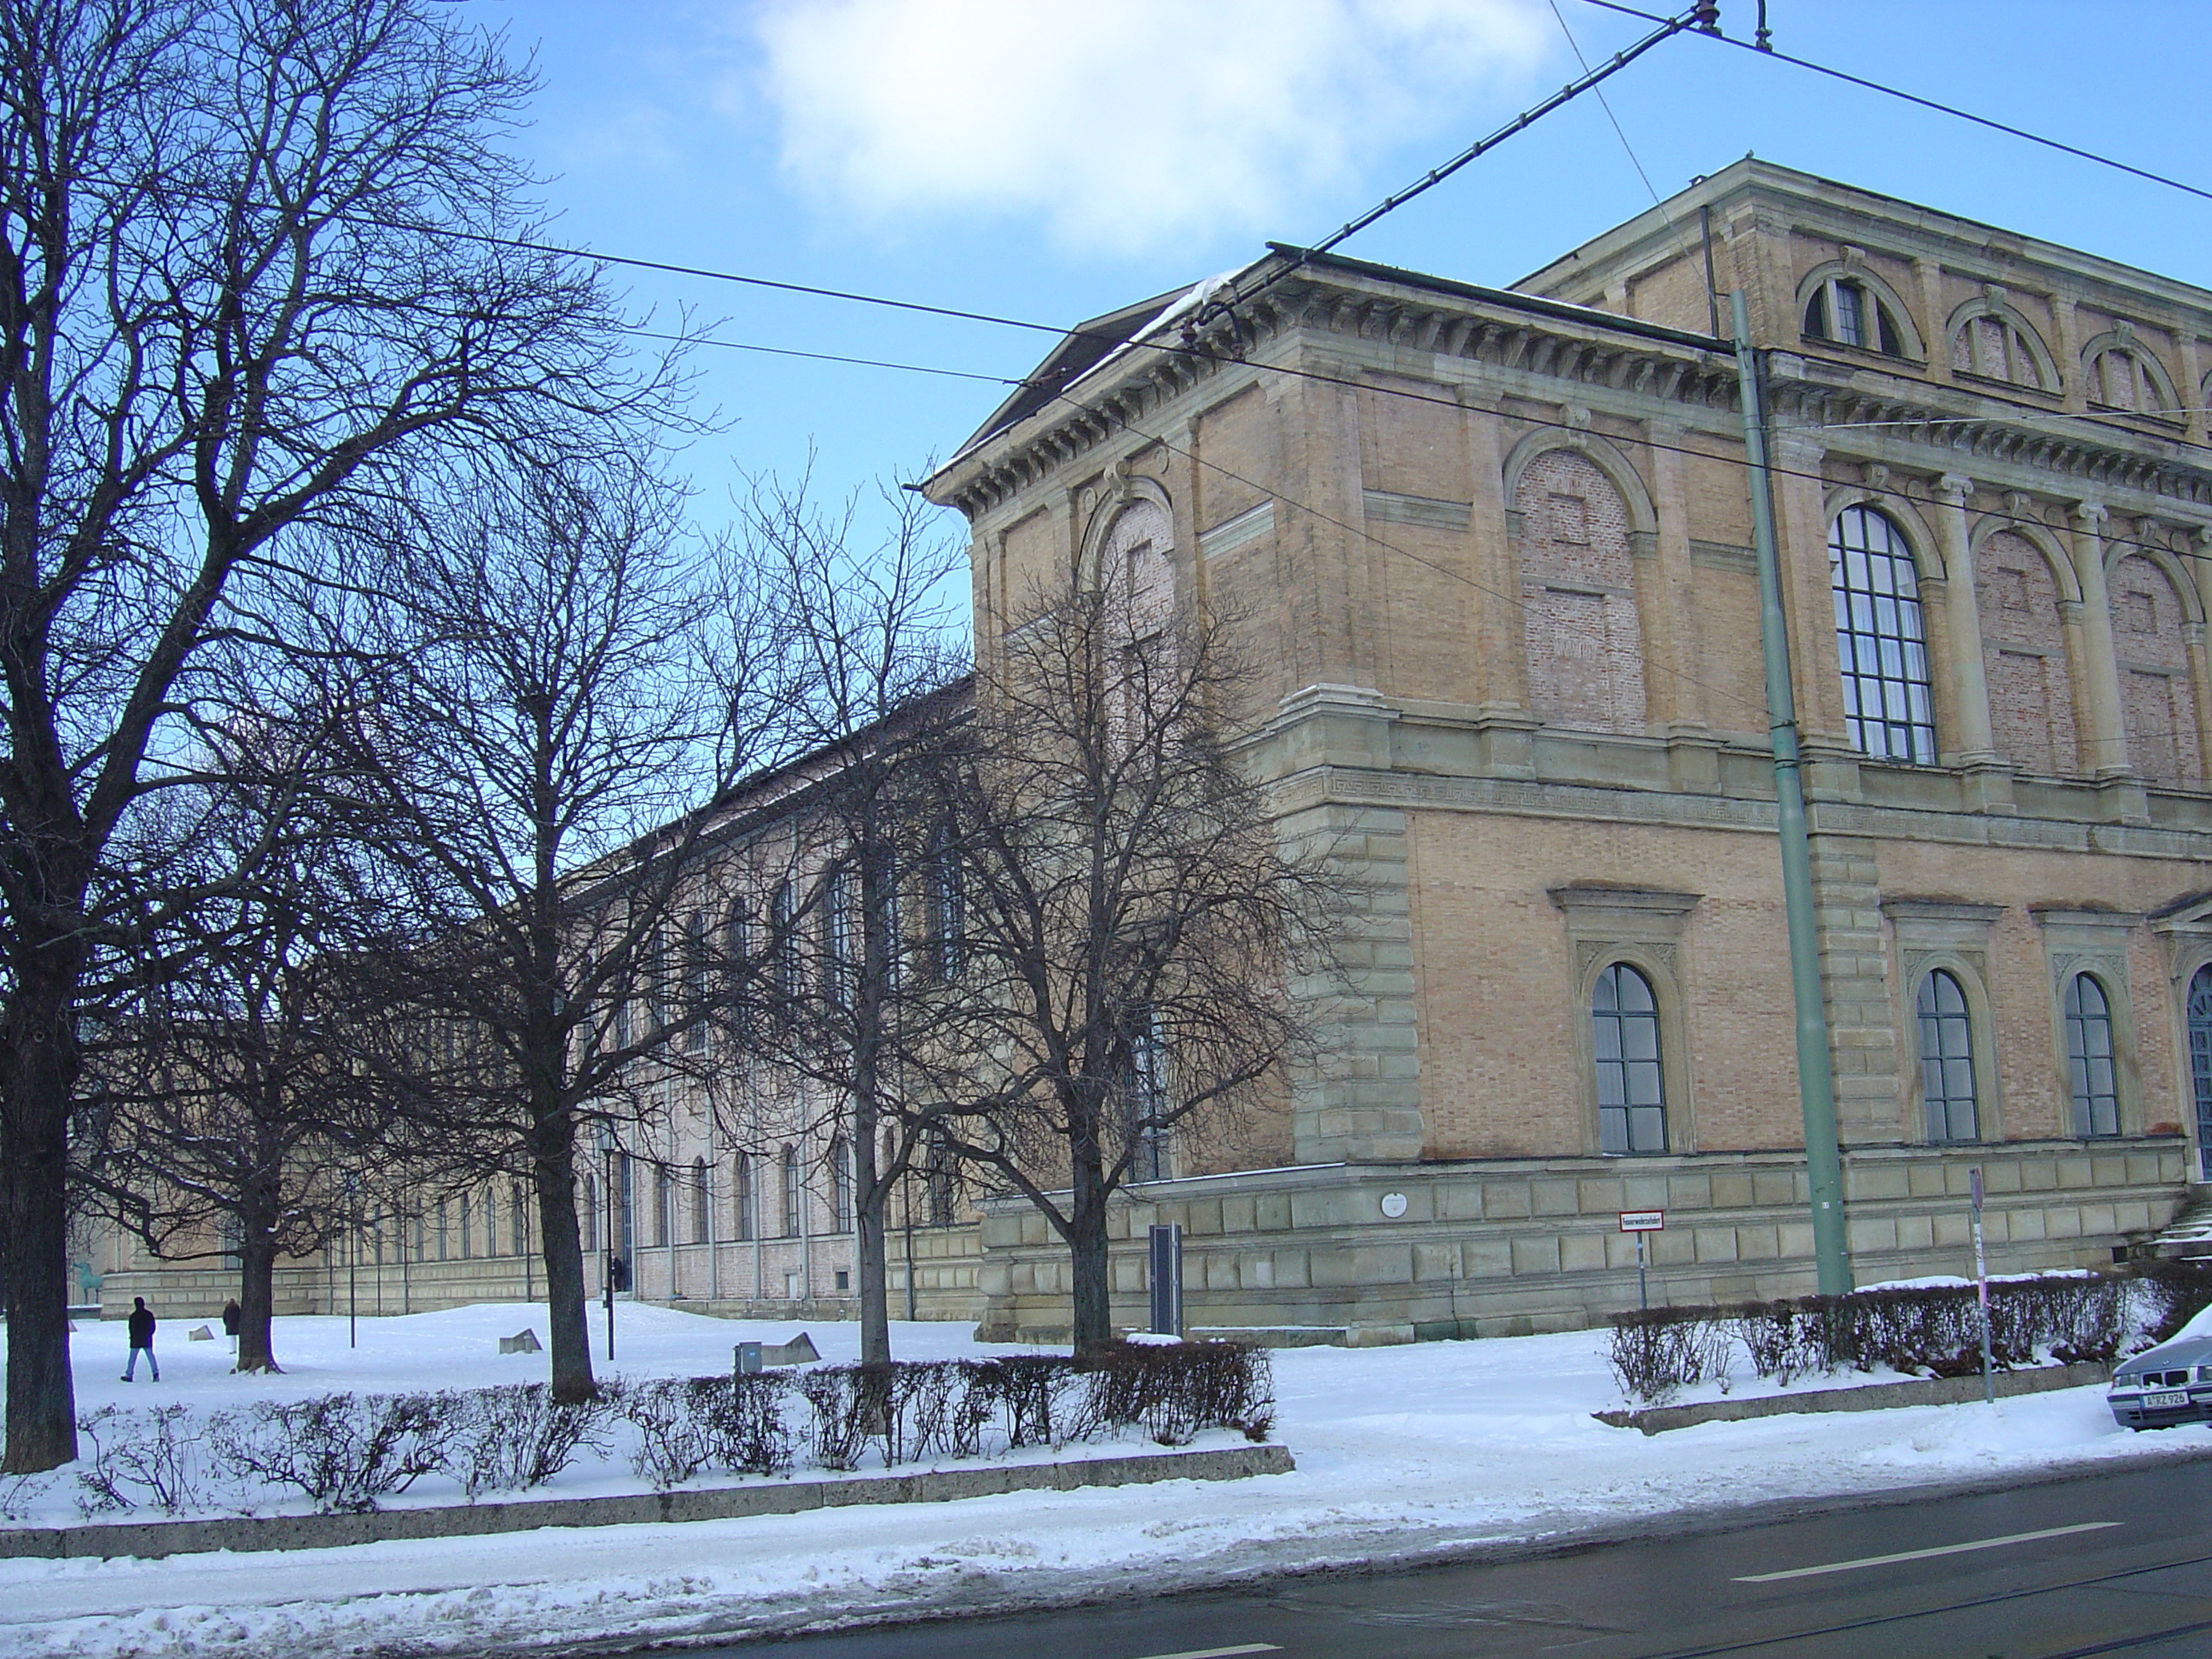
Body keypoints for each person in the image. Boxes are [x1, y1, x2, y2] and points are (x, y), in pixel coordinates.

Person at [122, 1295, 159, 1382]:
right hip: (147, 1338)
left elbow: (131, 1328)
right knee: (151, 1356)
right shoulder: (149, 1314)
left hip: (136, 1340)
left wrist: (132, 1336)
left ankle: (129, 1374)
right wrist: (150, 1334)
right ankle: (155, 1373)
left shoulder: (133, 1316)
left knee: (132, 1358)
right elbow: (153, 1326)